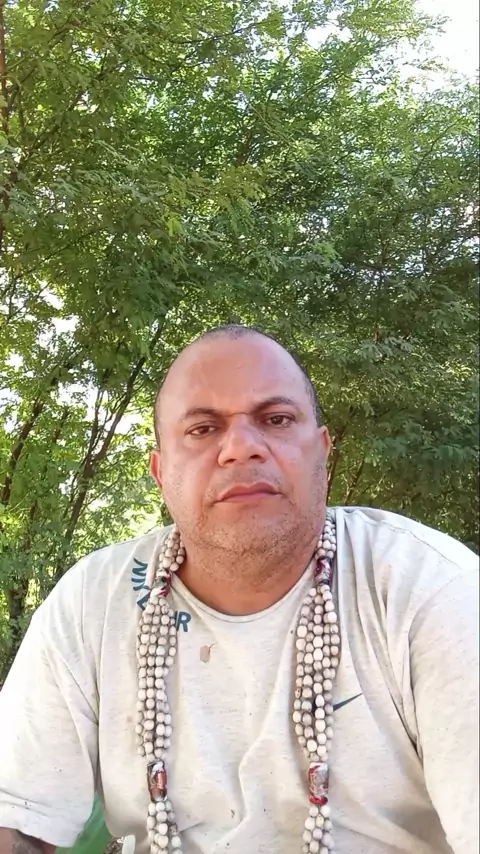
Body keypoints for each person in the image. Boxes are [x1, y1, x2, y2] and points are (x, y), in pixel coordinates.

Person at [0, 324, 478, 854]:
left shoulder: (429, 590)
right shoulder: (91, 602)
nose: (242, 448)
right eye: (202, 429)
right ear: (160, 472)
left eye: (276, 420)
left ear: (322, 452)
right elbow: (16, 821)